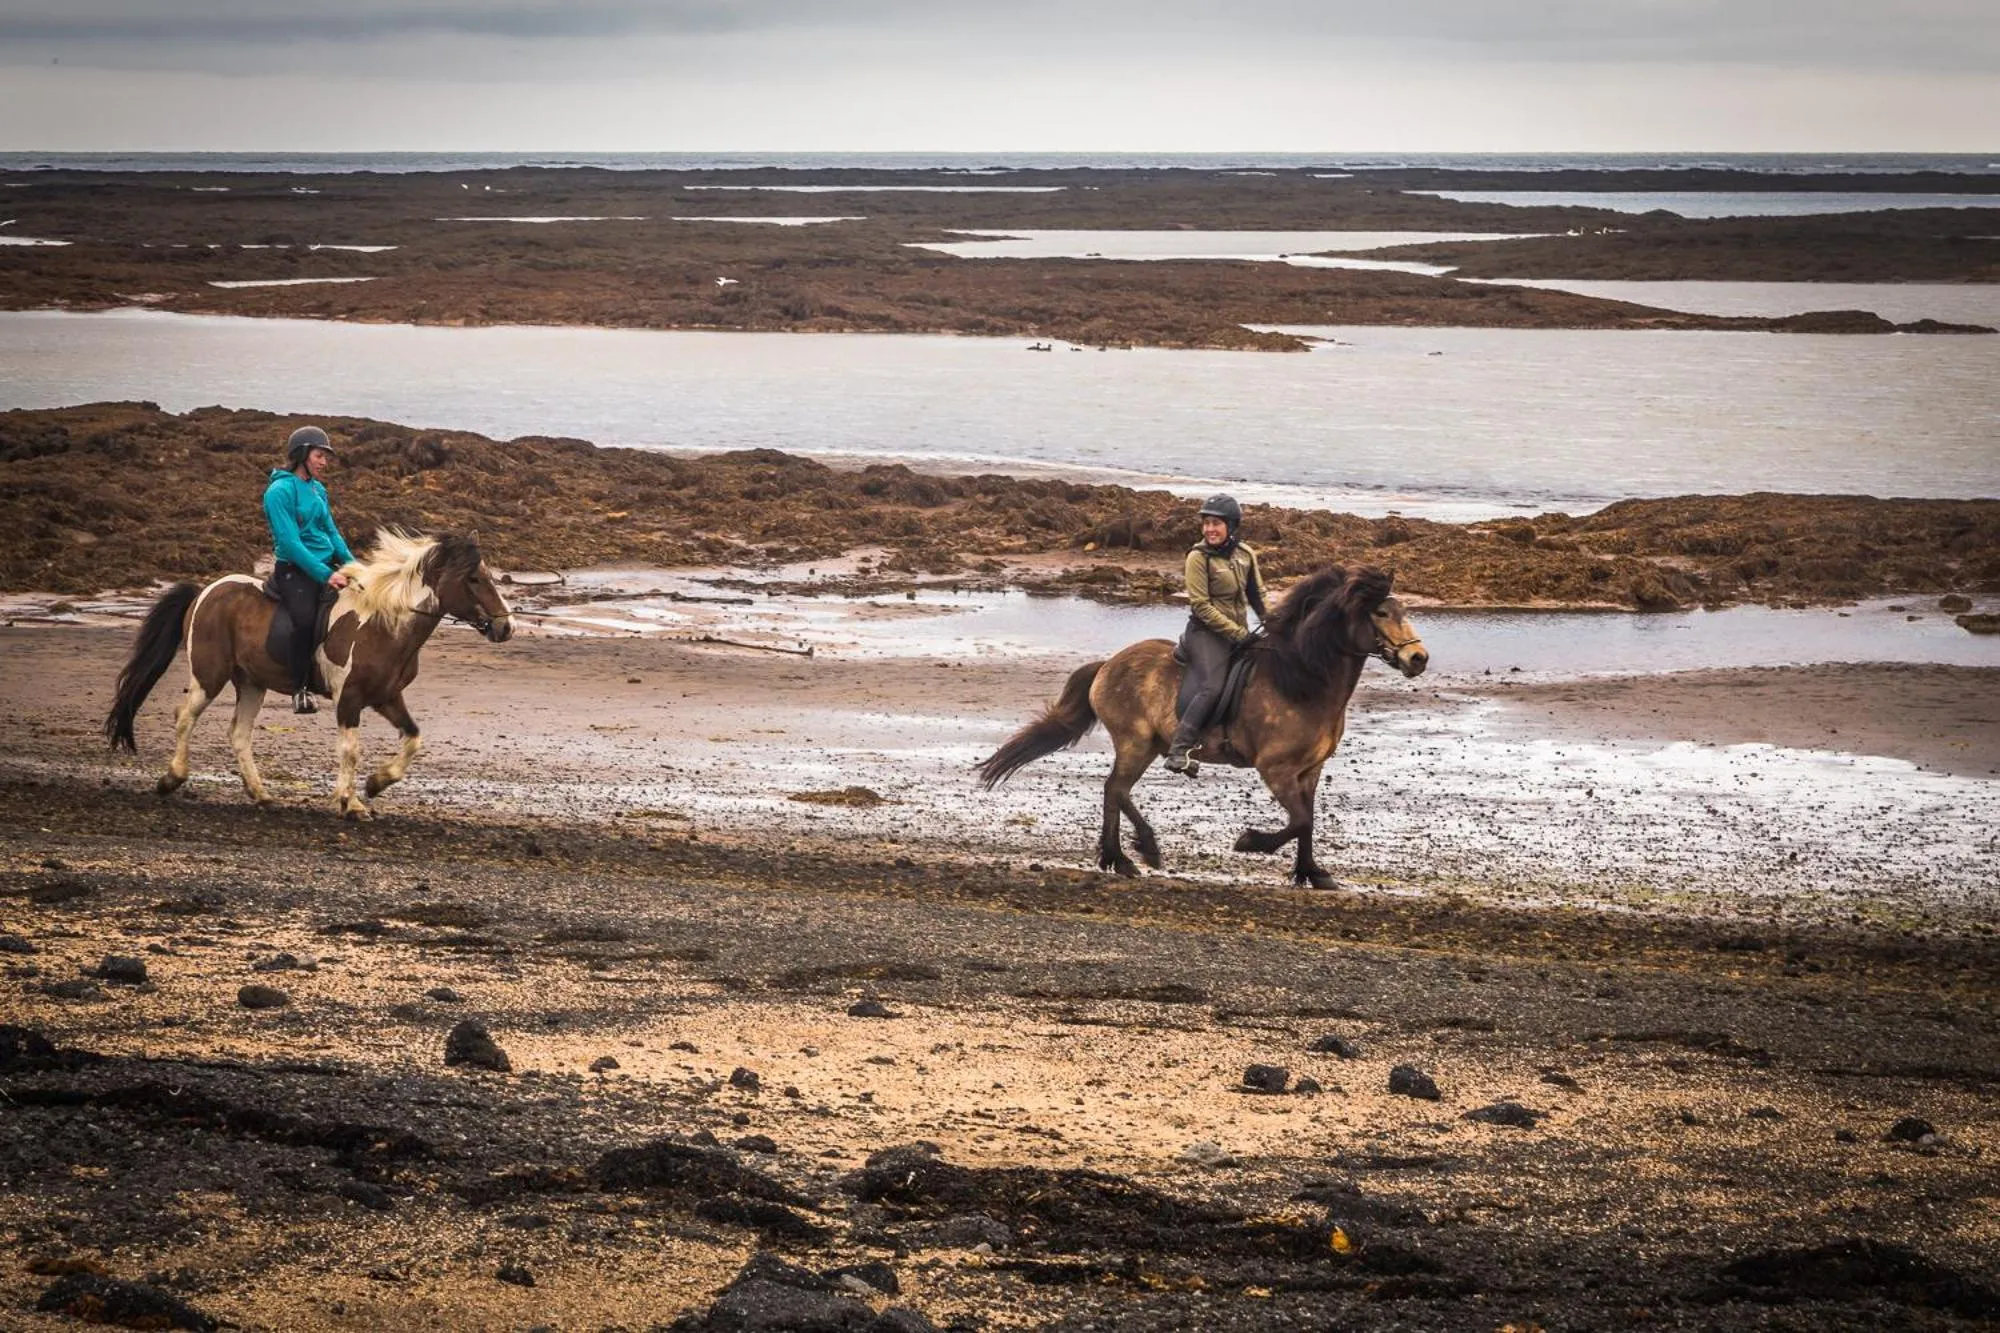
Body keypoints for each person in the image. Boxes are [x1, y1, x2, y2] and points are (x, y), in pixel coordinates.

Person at [1164, 493, 1266, 775]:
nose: (1210, 529)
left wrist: (1275, 624)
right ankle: (1179, 749)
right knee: (1214, 686)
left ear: (1231, 526)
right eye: (1206, 523)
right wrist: (1237, 633)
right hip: (1205, 633)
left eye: (1216, 524)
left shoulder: (1245, 554)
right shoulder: (1198, 558)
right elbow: (1201, 605)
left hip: (1239, 633)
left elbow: (1257, 595)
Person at [263, 425, 354, 713]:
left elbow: (332, 533)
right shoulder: (279, 491)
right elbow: (290, 543)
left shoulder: (318, 489)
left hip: (325, 565)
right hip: (294, 570)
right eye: (319, 456)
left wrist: (354, 566)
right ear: (302, 455)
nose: (324, 462)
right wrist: (325, 574)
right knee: (304, 620)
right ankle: (300, 688)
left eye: (325, 457)